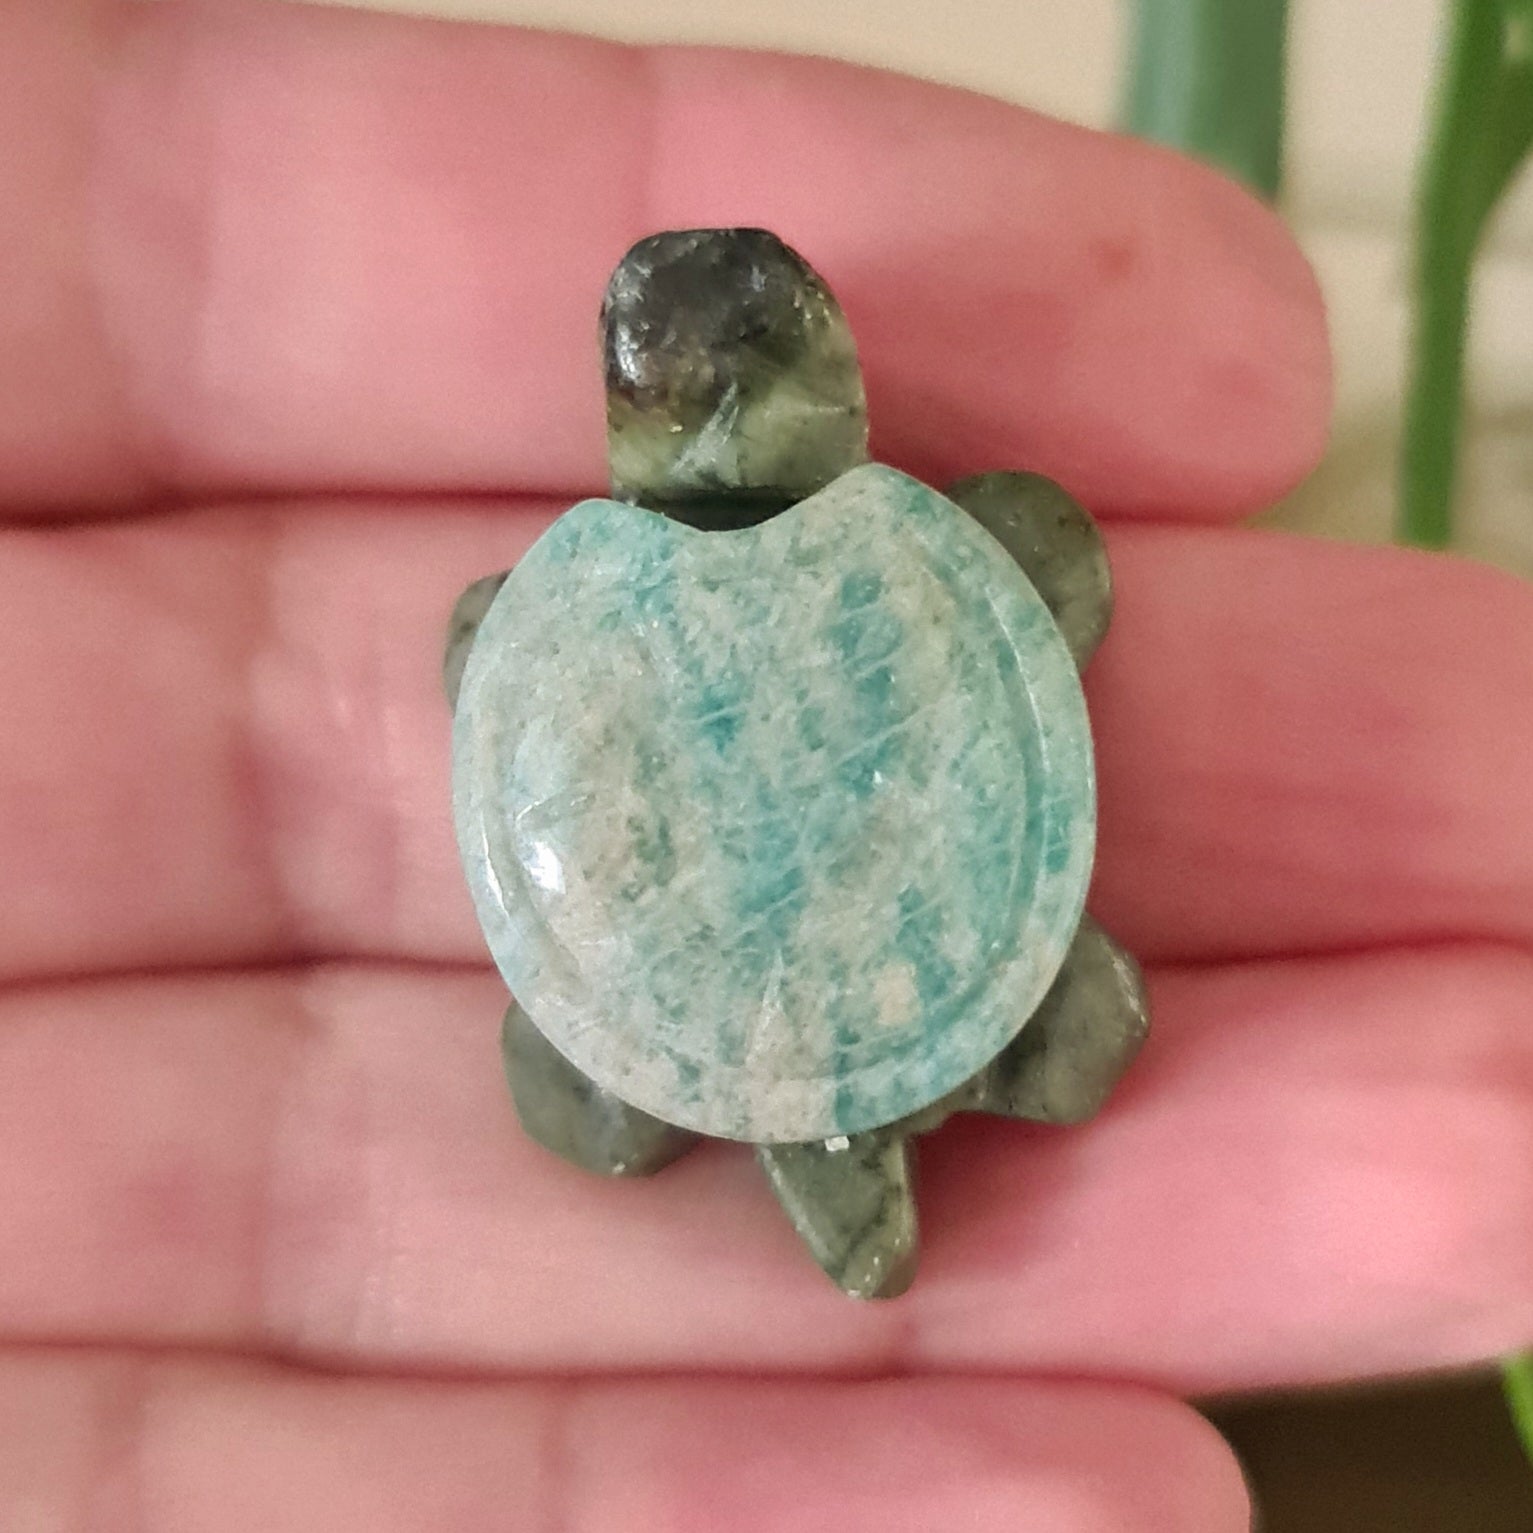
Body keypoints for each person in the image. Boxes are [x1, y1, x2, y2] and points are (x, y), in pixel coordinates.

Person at [1, 2, 1529, 1527]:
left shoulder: (548, 607)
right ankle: (820, 1118)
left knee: (772, 1064)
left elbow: (494, 648)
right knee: (1057, 1018)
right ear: (837, 378)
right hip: (888, 935)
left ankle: (767, 1115)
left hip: (749, 959)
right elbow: (1042, 558)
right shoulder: (900, 547)